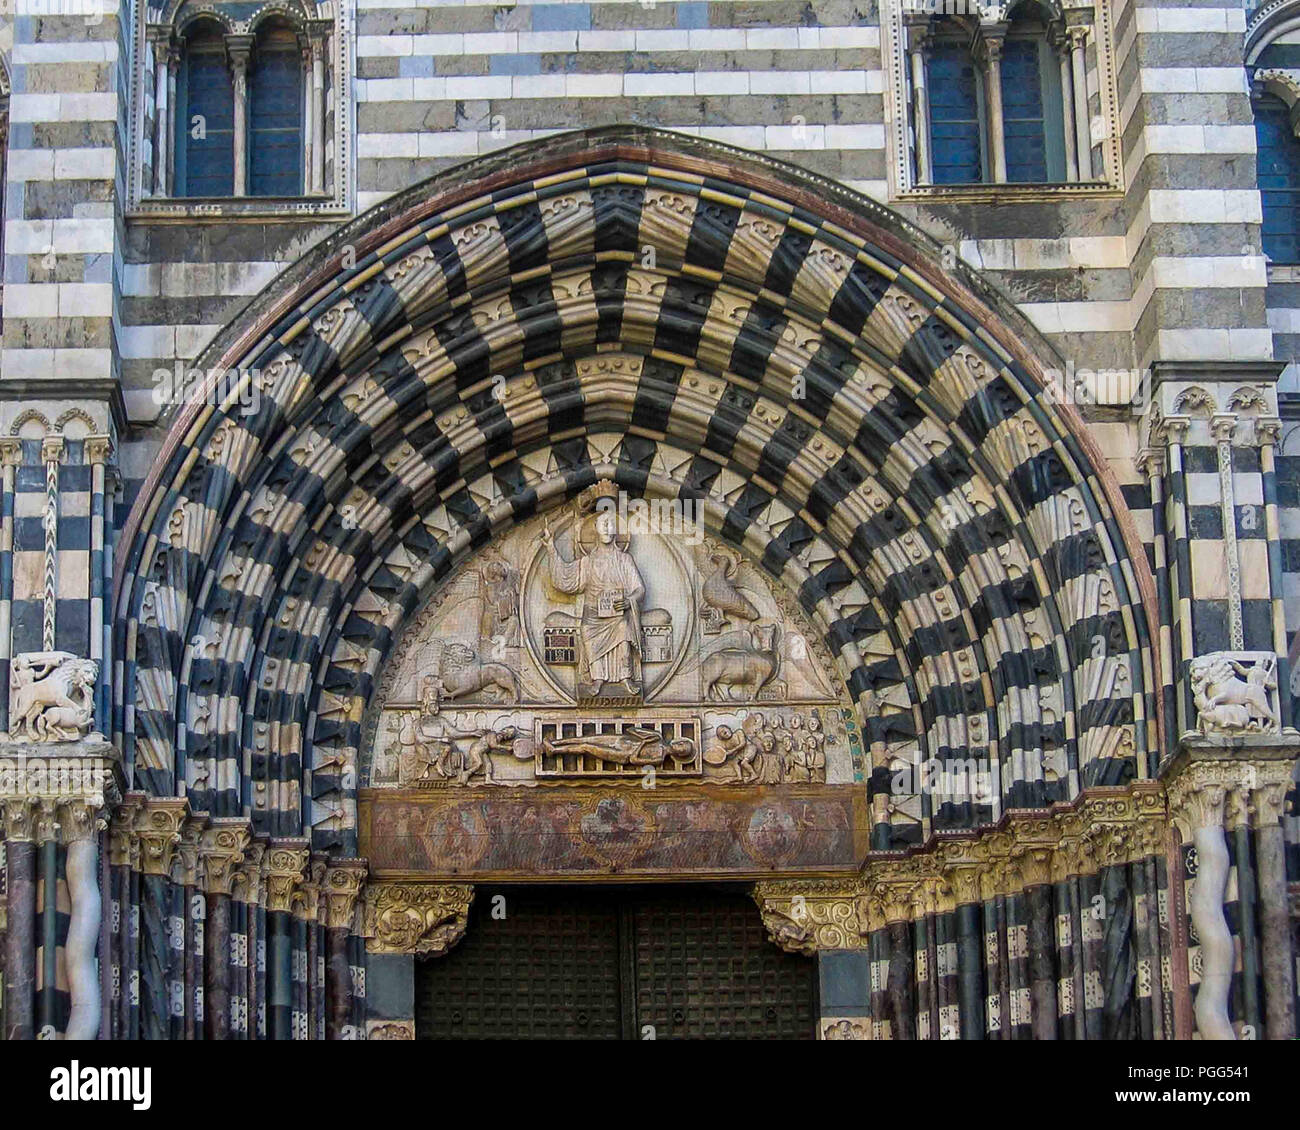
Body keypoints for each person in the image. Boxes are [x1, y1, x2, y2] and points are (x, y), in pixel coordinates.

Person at [541, 507, 645, 695]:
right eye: (603, 524)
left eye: (610, 524)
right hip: (594, 614)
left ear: (615, 530)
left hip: (618, 613)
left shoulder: (624, 560)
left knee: (623, 627)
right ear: (595, 529)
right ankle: (597, 678)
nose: (606, 527)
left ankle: (625, 677)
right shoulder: (587, 562)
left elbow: (639, 589)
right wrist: (550, 547)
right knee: (586, 630)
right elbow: (564, 578)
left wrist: (630, 601)